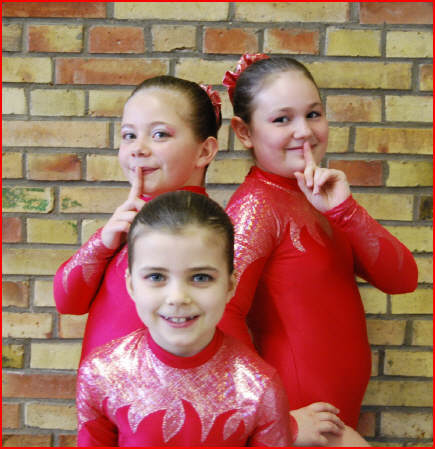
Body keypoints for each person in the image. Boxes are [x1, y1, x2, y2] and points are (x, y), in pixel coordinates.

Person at [219, 54, 418, 446]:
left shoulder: (322, 197)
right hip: (300, 418)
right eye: (282, 119)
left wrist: (345, 210)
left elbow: (402, 279)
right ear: (244, 132)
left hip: (335, 412)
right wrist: (276, 418)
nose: (304, 131)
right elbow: (220, 317)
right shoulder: (255, 208)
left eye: (313, 114)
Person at [76, 191, 294, 446]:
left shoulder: (259, 387)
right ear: (131, 285)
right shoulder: (101, 374)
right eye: (156, 277)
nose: (178, 297)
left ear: (230, 286)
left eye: (200, 277)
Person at [53, 76, 222, 363]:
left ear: (204, 151)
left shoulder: (204, 233)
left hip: (154, 389)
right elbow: (67, 301)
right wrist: (102, 243)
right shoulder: (126, 222)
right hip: (100, 386)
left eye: (159, 135)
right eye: (129, 135)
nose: (138, 148)